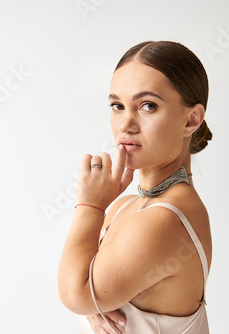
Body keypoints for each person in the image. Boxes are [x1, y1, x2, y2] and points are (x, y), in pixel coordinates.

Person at [57, 40, 213, 334]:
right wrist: (95, 301)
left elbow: (76, 294)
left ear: (191, 120)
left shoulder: (165, 219)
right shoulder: (123, 205)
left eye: (148, 106)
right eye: (117, 105)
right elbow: (88, 293)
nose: (126, 124)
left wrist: (89, 206)